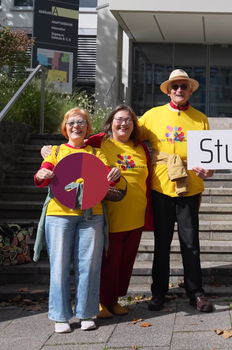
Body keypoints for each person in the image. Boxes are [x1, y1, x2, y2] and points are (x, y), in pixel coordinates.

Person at [34, 107, 120, 333]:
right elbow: (42, 175)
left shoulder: (95, 153)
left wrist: (114, 175)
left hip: (92, 216)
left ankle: (86, 313)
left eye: (81, 122)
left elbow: (106, 180)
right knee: (60, 266)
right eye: (71, 123)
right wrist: (42, 174)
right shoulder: (56, 151)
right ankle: (60, 316)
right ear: (65, 128)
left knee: (89, 266)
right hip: (59, 214)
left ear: (87, 128)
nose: (76, 126)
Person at [140, 69, 215, 313]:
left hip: (189, 186)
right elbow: (126, 137)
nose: (179, 90)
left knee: (190, 243)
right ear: (168, 90)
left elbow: (209, 156)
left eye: (183, 86)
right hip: (161, 185)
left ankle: (196, 293)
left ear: (191, 90)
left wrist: (209, 170)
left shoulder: (201, 118)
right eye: (175, 86)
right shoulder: (151, 116)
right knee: (162, 242)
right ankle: (158, 292)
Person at [87, 105, 152, 319]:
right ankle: (98, 301)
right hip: (110, 216)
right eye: (119, 119)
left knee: (125, 262)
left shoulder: (140, 148)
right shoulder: (99, 143)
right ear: (110, 123)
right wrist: (51, 151)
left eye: (129, 120)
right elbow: (74, 146)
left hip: (135, 215)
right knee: (107, 262)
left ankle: (114, 300)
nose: (124, 123)